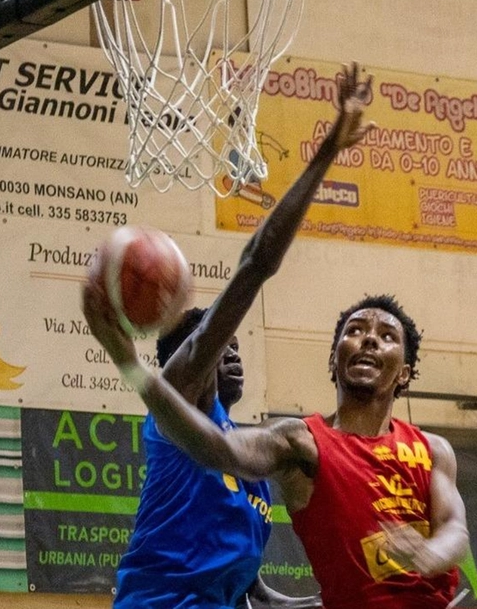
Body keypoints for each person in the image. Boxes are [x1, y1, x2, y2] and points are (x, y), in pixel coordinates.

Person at [104, 63, 377, 609]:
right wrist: (327, 152)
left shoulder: (249, 462)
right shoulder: (176, 406)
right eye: (216, 350)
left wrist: (341, 599)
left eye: (235, 348)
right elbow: (254, 266)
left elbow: (255, 596)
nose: (230, 356)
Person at [86, 286, 469, 608]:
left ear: (404, 371)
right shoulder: (283, 441)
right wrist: (131, 365)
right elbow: (214, 443)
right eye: (355, 330)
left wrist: (287, 601)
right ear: (334, 361)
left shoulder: (431, 450)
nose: (369, 338)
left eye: (387, 336)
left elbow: (242, 566)